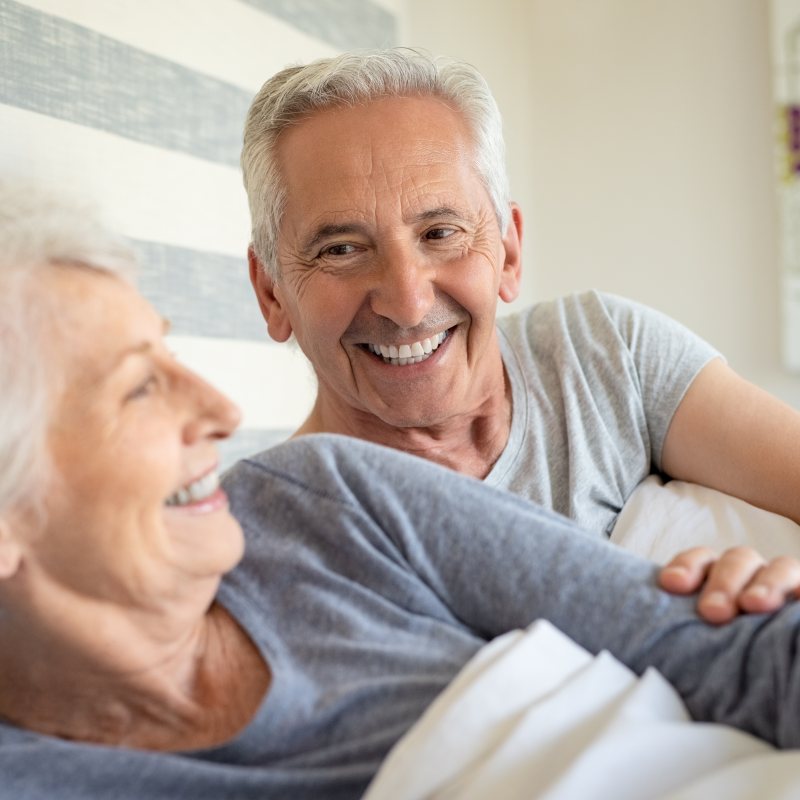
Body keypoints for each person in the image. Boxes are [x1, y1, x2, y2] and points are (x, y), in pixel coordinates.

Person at [3, 182, 800, 799]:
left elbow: (742, 661)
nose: (222, 411)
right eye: (139, 388)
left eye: (441, 231)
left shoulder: (320, 499)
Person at [240, 48, 800, 620]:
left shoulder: (602, 352)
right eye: (342, 250)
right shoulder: (263, 539)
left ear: (508, 251)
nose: (408, 304)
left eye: (440, 232)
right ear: (272, 293)